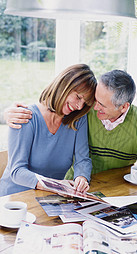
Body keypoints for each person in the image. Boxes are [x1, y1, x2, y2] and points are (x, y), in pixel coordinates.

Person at [4, 69, 137, 201]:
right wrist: (6, 114)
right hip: (25, 197)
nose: (88, 107)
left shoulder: (81, 117)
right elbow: (17, 171)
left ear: (123, 107)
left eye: (100, 104)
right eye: (93, 100)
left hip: (93, 194)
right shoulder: (75, 114)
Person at [0, 64, 97, 196]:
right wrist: (55, 186)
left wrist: (82, 177)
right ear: (64, 86)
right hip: (14, 199)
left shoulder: (78, 119)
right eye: (78, 97)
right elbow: (17, 172)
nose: (79, 106)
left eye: (84, 103)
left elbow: (83, 159)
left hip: (48, 198)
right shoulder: (26, 117)